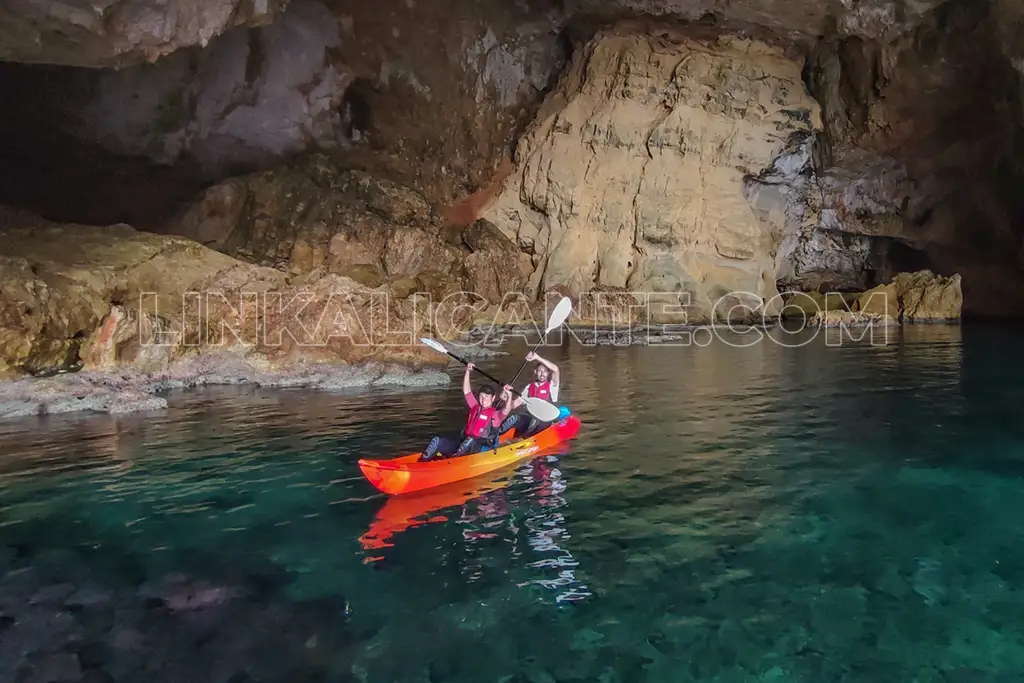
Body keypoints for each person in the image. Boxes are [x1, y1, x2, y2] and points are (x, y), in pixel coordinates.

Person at [419, 362, 514, 462]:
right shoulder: (475, 406)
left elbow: (506, 410)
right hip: (464, 445)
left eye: (487, 397)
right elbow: (467, 391)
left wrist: (509, 395)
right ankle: (422, 462)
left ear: (493, 398)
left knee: (470, 440)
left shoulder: (496, 415)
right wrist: (468, 371)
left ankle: (453, 463)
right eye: (481, 396)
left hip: (482, 450)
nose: (483, 399)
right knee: (437, 440)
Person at [497, 351, 561, 439]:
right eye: (540, 371)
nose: (542, 374)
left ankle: (523, 439)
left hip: (546, 420)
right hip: (530, 418)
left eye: (545, 371)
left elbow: (556, 369)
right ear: (535, 372)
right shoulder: (529, 387)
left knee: (535, 421)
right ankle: (495, 435)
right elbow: (513, 405)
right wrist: (507, 398)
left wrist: (537, 357)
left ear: (548, 373)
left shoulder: (552, 385)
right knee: (514, 417)